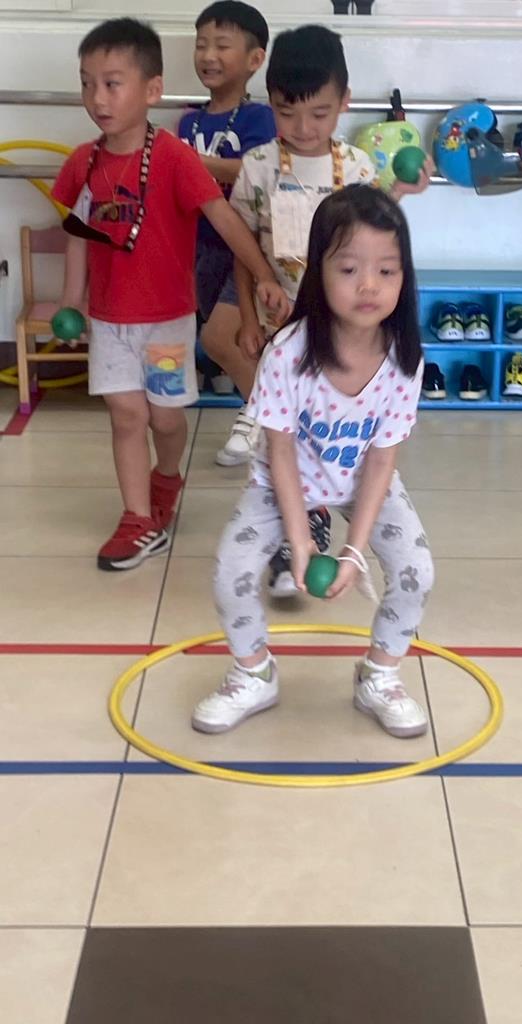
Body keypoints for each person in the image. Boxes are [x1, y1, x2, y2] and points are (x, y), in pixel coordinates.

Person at [192, 184, 433, 740]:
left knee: (417, 571)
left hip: (362, 478)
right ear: (317, 272)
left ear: (405, 277)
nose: (369, 285)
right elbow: (278, 450)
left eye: (386, 271)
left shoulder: (404, 359)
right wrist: (300, 540)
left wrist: (353, 550)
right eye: (348, 269)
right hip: (284, 481)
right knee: (230, 571)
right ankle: (254, 673)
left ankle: (380, 674)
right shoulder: (288, 353)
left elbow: (382, 461)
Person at [52, 17, 290, 571]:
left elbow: (226, 219)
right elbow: (77, 237)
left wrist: (263, 275)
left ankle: (166, 476)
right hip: (109, 322)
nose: (97, 98)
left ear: (152, 89)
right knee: (126, 416)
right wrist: (70, 300)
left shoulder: (174, 157)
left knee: (163, 419)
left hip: (165, 324)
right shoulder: (83, 163)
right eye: (87, 83)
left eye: (112, 84)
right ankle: (138, 520)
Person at [229, 23, 432, 595]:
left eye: (319, 113)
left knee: (331, 433)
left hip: (345, 332)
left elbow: (374, 233)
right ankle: (294, 533)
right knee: (286, 438)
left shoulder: (358, 167)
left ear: (344, 102)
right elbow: (243, 247)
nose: (303, 128)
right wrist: (249, 311)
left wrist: (402, 192)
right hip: (285, 329)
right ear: (270, 103)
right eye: (287, 113)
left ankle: (326, 522)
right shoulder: (258, 166)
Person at [178, 2, 277, 463]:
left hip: (248, 249)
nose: (208, 55)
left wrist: (196, 164)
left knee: (218, 338)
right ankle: (266, 423)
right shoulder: (188, 121)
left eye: (221, 45)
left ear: (255, 59)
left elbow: (259, 170)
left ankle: (264, 416)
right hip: (201, 248)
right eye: (201, 45)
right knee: (232, 341)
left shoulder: (260, 119)